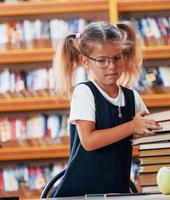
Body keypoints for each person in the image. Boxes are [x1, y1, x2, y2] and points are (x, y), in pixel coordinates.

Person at [51, 21, 161, 197]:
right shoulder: (84, 92)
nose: (112, 66)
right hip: (79, 194)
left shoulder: (132, 97)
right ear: (85, 61)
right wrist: (132, 127)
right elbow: (89, 141)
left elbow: (150, 129)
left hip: (118, 193)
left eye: (117, 58)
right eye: (102, 60)